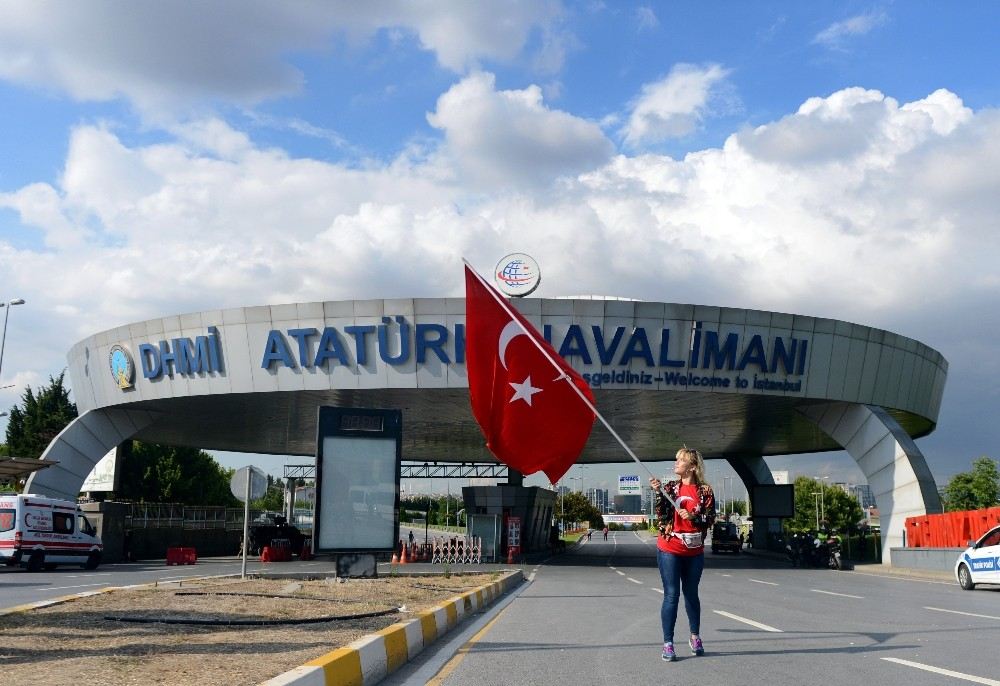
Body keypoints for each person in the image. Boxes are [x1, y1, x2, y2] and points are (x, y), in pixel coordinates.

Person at [650, 447, 716, 662]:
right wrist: (659, 493)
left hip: (694, 551)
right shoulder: (671, 488)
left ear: (692, 466)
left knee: (691, 593)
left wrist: (693, 516)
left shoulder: (705, 491)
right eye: (676, 458)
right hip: (670, 547)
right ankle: (668, 643)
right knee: (671, 595)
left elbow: (710, 519)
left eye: (681, 460)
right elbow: (662, 514)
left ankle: (695, 636)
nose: (676, 462)